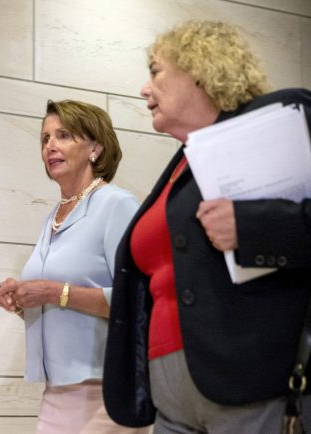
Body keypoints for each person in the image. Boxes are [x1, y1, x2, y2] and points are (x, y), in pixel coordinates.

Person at [103, 20, 311, 433]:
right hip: (170, 395)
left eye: (155, 72)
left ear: (200, 68)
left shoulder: (283, 117)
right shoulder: (184, 162)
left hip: (252, 385)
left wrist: (252, 228)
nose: (145, 89)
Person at [0, 99, 144, 433]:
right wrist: (23, 302)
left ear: (96, 147)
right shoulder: (54, 216)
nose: (50, 146)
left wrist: (53, 292)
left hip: (105, 392)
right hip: (56, 392)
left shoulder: (115, 205)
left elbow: (135, 299)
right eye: (45, 138)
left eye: (63, 135)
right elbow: (62, 306)